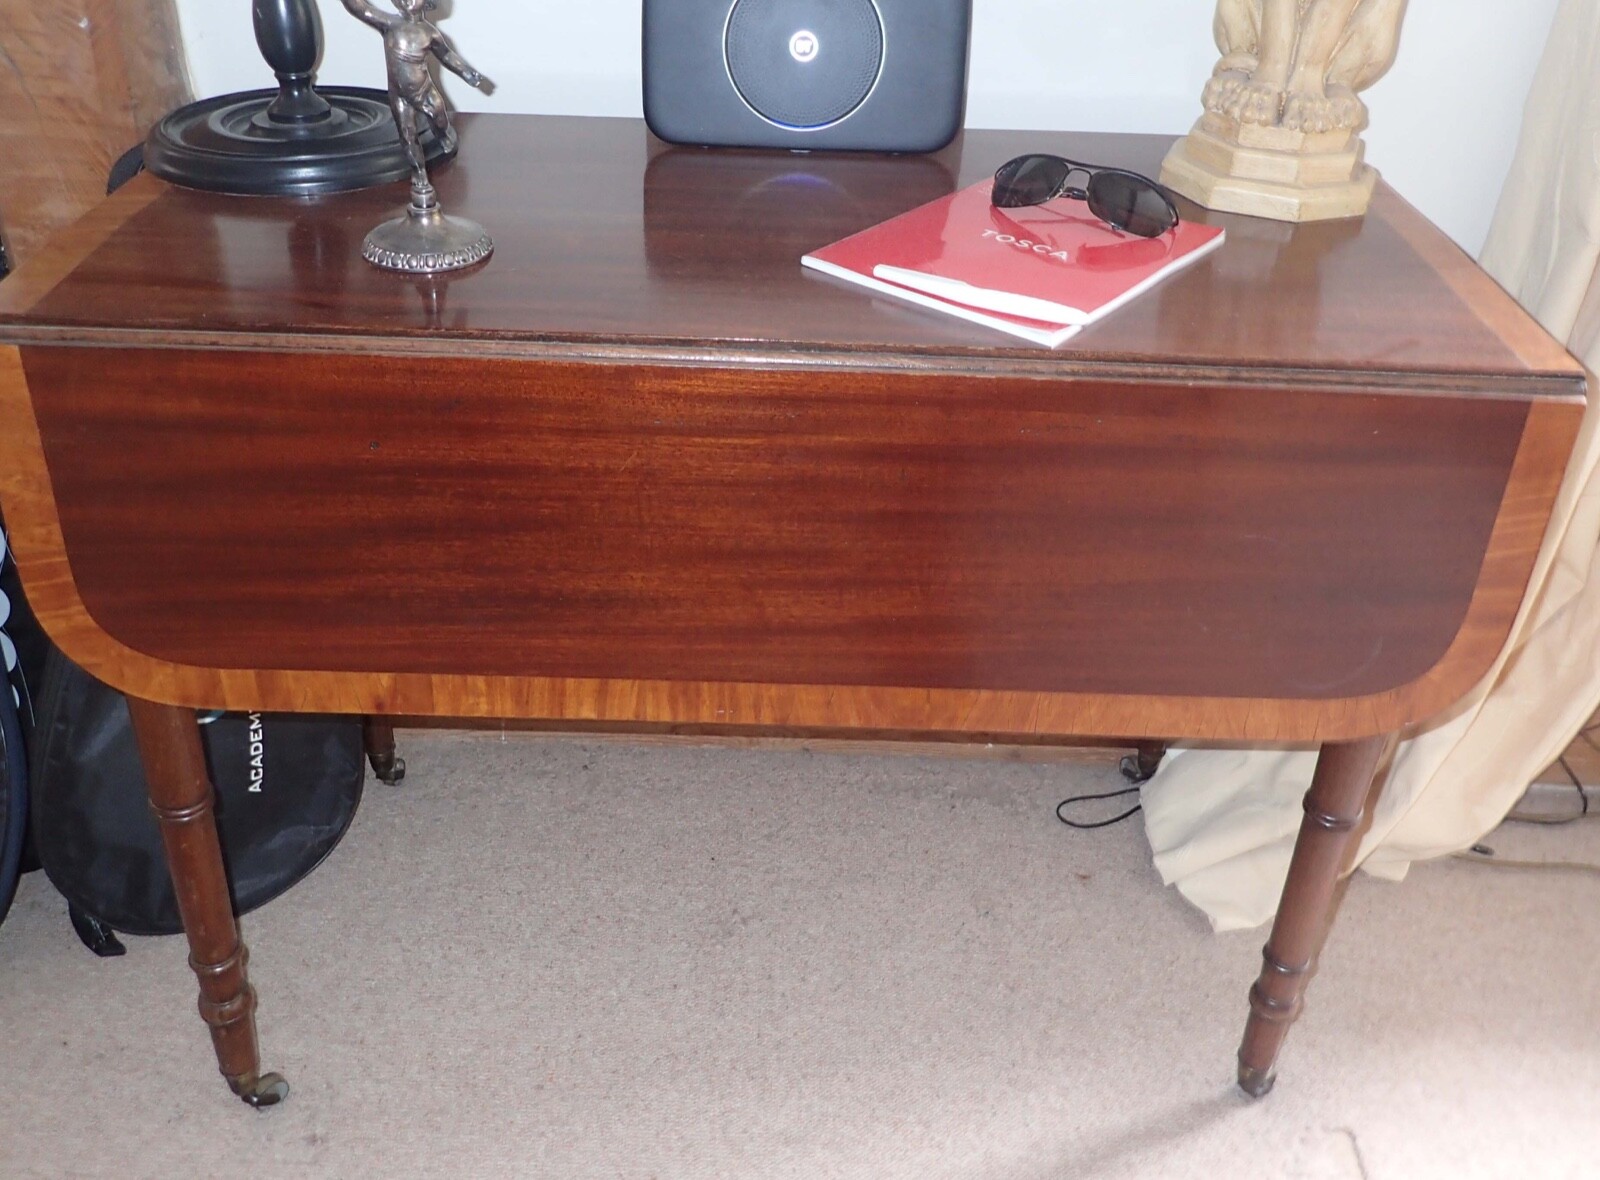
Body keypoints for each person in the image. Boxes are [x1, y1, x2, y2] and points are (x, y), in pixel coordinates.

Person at [339, 0, 494, 179]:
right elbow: (360, 9)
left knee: (440, 118)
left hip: (425, 91)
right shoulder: (389, 24)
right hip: (399, 95)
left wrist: (467, 72)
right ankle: (419, 173)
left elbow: (447, 56)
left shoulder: (429, 33)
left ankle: (443, 135)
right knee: (408, 135)